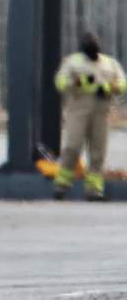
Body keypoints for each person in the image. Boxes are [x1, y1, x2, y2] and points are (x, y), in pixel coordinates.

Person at [53, 32, 126, 200]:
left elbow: (123, 83)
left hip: (101, 112)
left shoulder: (110, 63)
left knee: (98, 151)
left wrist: (108, 88)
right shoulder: (72, 62)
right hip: (78, 110)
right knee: (73, 145)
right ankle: (62, 184)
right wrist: (78, 83)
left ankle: (94, 190)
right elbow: (60, 82)